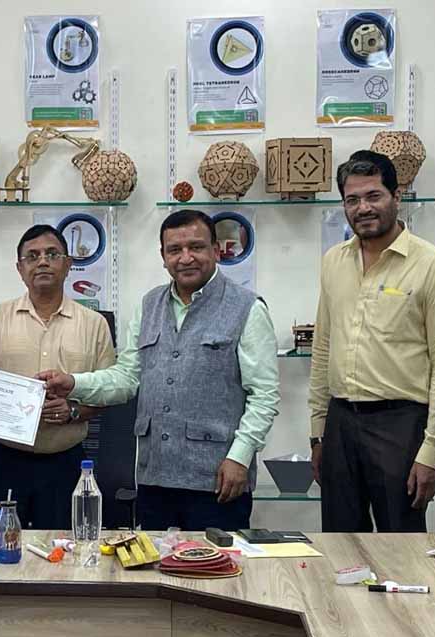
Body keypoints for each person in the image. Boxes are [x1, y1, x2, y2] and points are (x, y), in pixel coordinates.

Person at [39, 209, 280, 531]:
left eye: (196, 247)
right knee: (153, 559)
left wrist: (240, 456)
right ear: (163, 257)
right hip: (154, 478)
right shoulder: (149, 304)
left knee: (217, 564)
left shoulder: (247, 307)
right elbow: (127, 378)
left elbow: (264, 396)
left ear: (216, 250)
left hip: (218, 478)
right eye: (174, 250)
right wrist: (72, 383)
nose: (186, 258)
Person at [309, 150, 435, 533]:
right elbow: (323, 346)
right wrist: (318, 432)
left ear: (397, 196)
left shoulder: (433, 265)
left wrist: (432, 451)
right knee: (341, 543)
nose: (363, 208)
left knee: (402, 545)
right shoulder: (333, 261)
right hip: (340, 422)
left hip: (400, 425)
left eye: (373, 196)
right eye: (352, 199)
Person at [0, 225, 116, 530]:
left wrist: (73, 411)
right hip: (2, 461)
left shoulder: (94, 324)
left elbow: (107, 393)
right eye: (32, 256)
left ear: (68, 264)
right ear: (20, 269)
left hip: (65, 464)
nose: (43, 262)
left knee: (64, 550)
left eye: (52, 254)